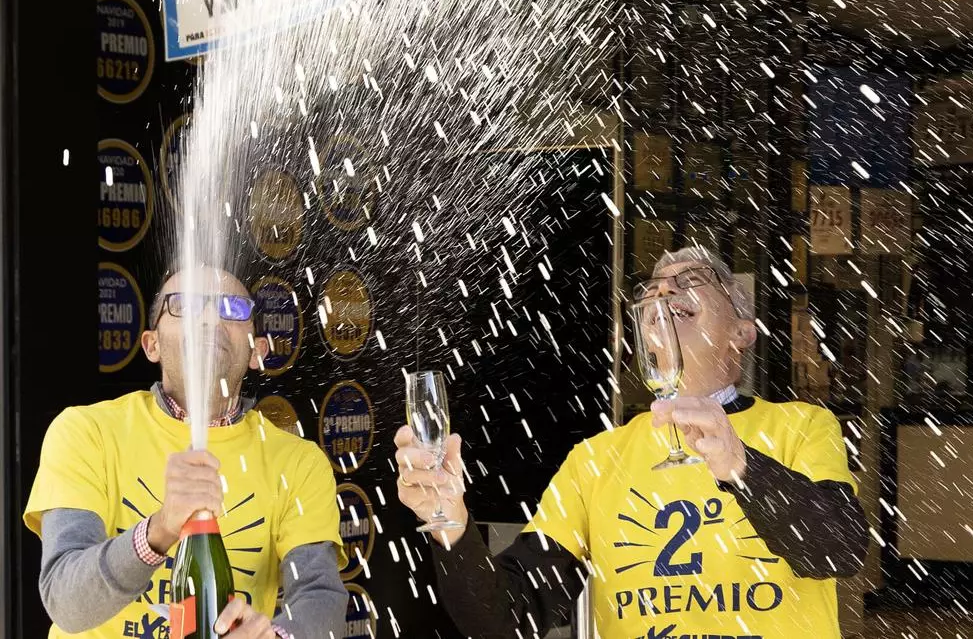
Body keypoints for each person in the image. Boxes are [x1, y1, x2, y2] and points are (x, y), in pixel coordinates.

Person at [394, 246, 868, 639]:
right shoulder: (596, 459)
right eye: (652, 290)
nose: (665, 291)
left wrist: (743, 466)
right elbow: (504, 621)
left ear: (741, 332)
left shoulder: (803, 425)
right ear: (644, 335)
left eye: (693, 280)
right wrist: (452, 526)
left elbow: (838, 551)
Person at [24, 268, 348, 639]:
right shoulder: (86, 432)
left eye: (231, 308)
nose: (209, 318)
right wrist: (159, 530)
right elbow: (67, 601)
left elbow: (320, 597)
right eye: (184, 305)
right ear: (152, 345)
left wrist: (275, 637)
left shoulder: (298, 462)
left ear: (257, 351)